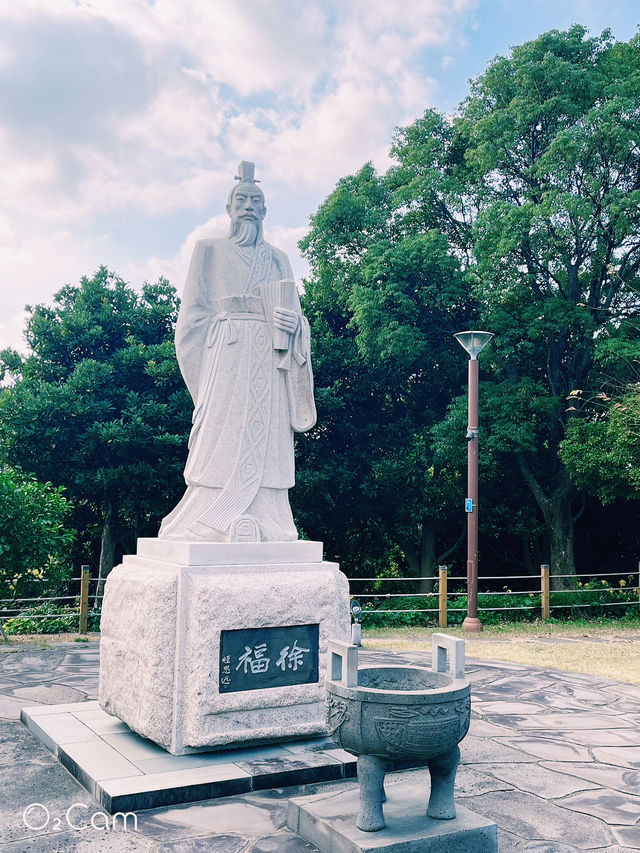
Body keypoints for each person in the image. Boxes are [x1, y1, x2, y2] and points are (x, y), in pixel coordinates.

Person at [159, 162, 316, 543]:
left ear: (264, 210)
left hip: (270, 355)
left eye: (255, 200)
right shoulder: (208, 250)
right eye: (241, 199)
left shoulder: (278, 258)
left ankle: (270, 516)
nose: (248, 205)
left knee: (270, 434)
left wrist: (296, 329)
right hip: (224, 353)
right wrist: (205, 375)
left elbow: (295, 314)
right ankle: (209, 514)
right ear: (229, 209)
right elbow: (192, 317)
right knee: (218, 431)